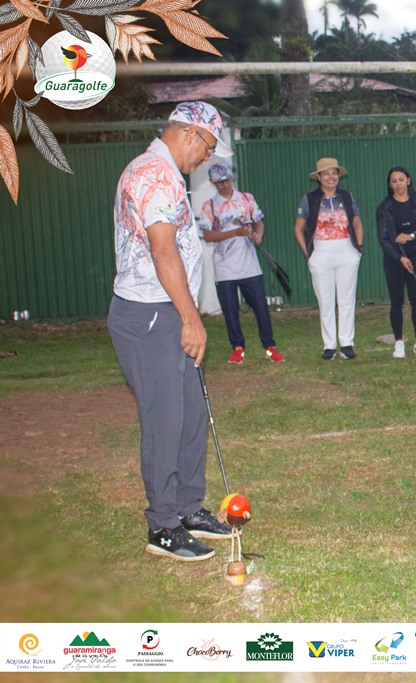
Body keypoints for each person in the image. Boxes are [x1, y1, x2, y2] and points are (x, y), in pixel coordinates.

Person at [107, 101, 234, 561]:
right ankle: (162, 525)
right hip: (151, 316)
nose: (207, 158)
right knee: (165, 420)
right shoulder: (153, 174)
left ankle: (186, 507)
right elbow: (163, 251)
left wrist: (186, 314)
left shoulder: (168, 175)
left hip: (168, 311)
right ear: (189, 134)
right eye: (208, 148)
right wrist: (191, 317)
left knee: (190, 415)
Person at [199, 163, 285, 364]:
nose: (224, 185)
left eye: (227, 180)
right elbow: (208, 236)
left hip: (250, 266)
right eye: (219, 183)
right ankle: (237, 348)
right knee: (230, 310)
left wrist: (258, 235)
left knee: (261, 307)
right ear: (213, 182)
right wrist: (235, 233)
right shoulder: (209, 206)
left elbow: (259, 222)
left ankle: (270, 347)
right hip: (224, 267)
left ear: (232, 178)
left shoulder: (246, 198)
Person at [294, 158, 364, 361]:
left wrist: (358, 248)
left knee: (347, 299)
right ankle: (329, 345)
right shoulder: (309, 199)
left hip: (346, 249)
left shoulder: (346, 197)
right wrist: (309, 255)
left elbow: (357, 223)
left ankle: (347, 344)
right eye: (326, 174)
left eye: (334, 173)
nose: (331, 177)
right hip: (321, 251)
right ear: (318, 177)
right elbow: (298, 228)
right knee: (325, 300)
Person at [376, 166, 416, 359]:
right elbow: (383, 239)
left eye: (401, 180)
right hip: (394, 260)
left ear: (408, 181)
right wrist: (399, 257)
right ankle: (399, 342)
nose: (398, 184)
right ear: (389, 184)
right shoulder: (384, 208)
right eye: (393, 181)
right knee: (396, 301)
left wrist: (411, 237)